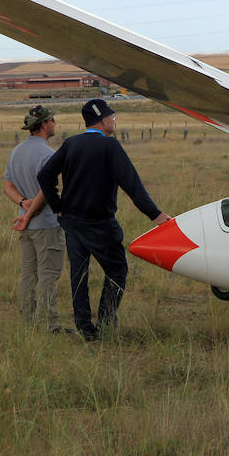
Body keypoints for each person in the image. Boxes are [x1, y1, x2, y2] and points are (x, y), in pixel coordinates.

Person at [37, 98, 171, 341]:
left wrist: (58, 207)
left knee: (79, 275)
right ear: (103, 120)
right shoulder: (110, 147)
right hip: (100, 223)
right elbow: (132, 185)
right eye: (112, 116)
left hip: (72, 222)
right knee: (117, 269)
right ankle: (107, 321)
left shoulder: (71, 144)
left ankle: (86, 329)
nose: (114, 120)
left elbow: (45, 174)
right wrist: (156, 215)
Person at [3, 105, 66, 332]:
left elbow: (7, 185)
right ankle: (48, 324)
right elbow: (46, 190)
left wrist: (22, 204)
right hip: (45, 225)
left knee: (28, 273)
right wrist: (31, 209)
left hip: (24, 225)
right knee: (48, 274)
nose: (55, 124)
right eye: (52, 120)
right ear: (43, 125)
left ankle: (28, 321)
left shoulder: (16, 151)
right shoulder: (49, 154)